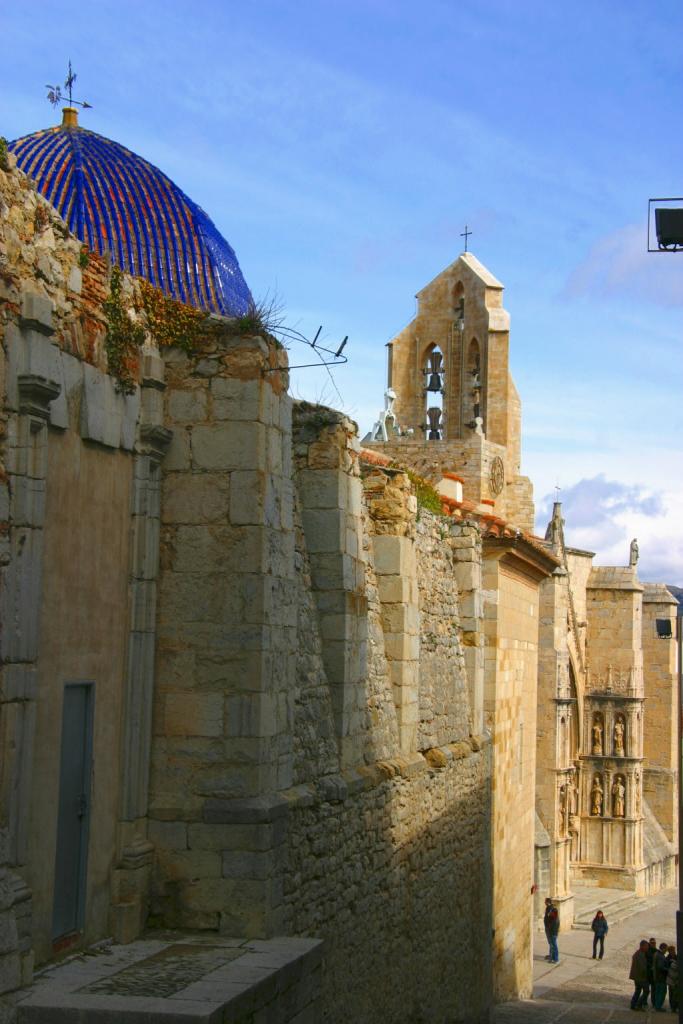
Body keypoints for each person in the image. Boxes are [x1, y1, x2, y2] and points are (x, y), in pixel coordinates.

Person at [630, 940, 650, 1010]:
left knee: (638, 990)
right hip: (640, 977)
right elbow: (643, 967)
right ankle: (638, 1004)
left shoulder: (639, 953)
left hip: (637, 976)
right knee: (646, 990)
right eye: (646, 946)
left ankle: (633, 1004)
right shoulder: (640, 955)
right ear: (642, 946)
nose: (647, 948)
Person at [653, 942, 670, 1010]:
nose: (666, 951)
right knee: (662, 992)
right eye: (666, 949)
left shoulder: (657, 954)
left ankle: (657, 1005)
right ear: (663, 948)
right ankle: (658, 1006)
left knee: (658, 992)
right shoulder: (660, 956)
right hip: (661, 977)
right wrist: (668, 969)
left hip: (657, 976)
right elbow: (660, 967)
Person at [543, 897, 560, 964]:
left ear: (548, 902)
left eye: (545, 902)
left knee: (553, 944)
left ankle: (555, 959)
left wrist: (549, 928)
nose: (544, 903)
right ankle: (551, 956)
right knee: (551, 943)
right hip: (549, 929)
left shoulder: (553, 910)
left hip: (552, 931)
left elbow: (554, 921)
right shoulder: (549, 908)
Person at [667, 946, 678, 1012]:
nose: (674, 951)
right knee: (672, 994)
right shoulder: (668, 959)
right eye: (673, 950)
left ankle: (675, 1007)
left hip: (675, 979)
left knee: (675, 994)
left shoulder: (676, 957)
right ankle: (673, 1007)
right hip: (671, 979)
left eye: (674, 950)